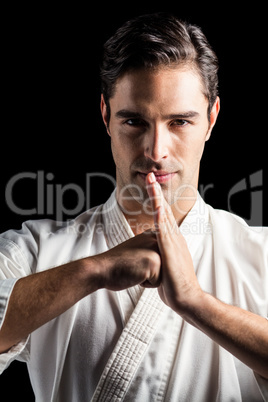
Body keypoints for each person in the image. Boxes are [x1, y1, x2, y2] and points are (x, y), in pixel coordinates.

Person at [0, 12, 267, 401]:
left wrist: (195, 300)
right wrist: (96, 269)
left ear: (211, 120)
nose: (155, 151)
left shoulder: (260, 255)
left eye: (179, 122)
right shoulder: (39, 251)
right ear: (106, 116)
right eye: (134, 121)